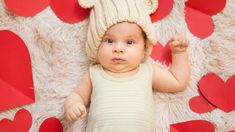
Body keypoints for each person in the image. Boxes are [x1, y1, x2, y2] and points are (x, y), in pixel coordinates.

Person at [64, 0, 190, 131]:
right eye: (109, 40)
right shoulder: (94, 73)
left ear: (144, 49)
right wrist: (73, 104)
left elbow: (177, 81)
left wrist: (179, 53)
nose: (118, 48)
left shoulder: (147, 71)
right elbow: (77, 95)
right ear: (96, 45)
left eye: (129, 42)